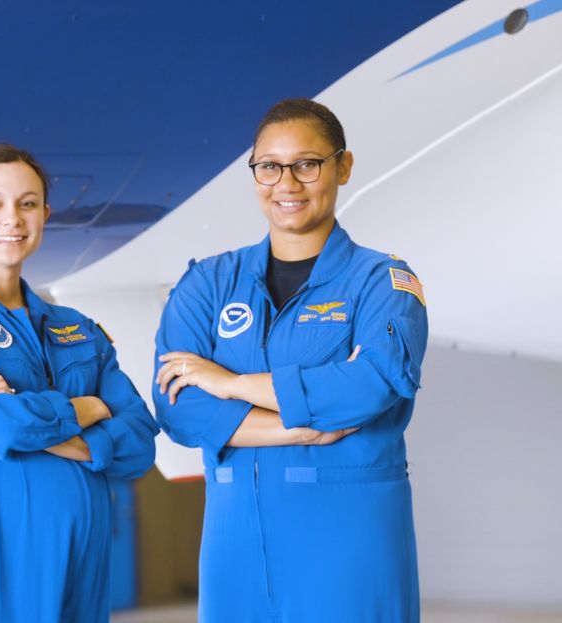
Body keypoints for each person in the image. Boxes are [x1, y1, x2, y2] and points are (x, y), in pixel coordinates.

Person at [152, 98, 429, 622]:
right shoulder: (207, 284)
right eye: (270, 167)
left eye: (307, 164)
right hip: (235, 544)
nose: (287, 183)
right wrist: (298, 428)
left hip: (348, 537)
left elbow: (369, 385)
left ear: (342, 166)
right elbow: (179, 410)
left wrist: (230, 384)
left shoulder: (383, 282)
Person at [0, 143, 158, 623]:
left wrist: (29, 411)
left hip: (82, 553)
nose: (11, 219)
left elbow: (141, 442)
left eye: (27, 203)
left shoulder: (77, 327)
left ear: (45, 214)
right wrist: (88, 409)